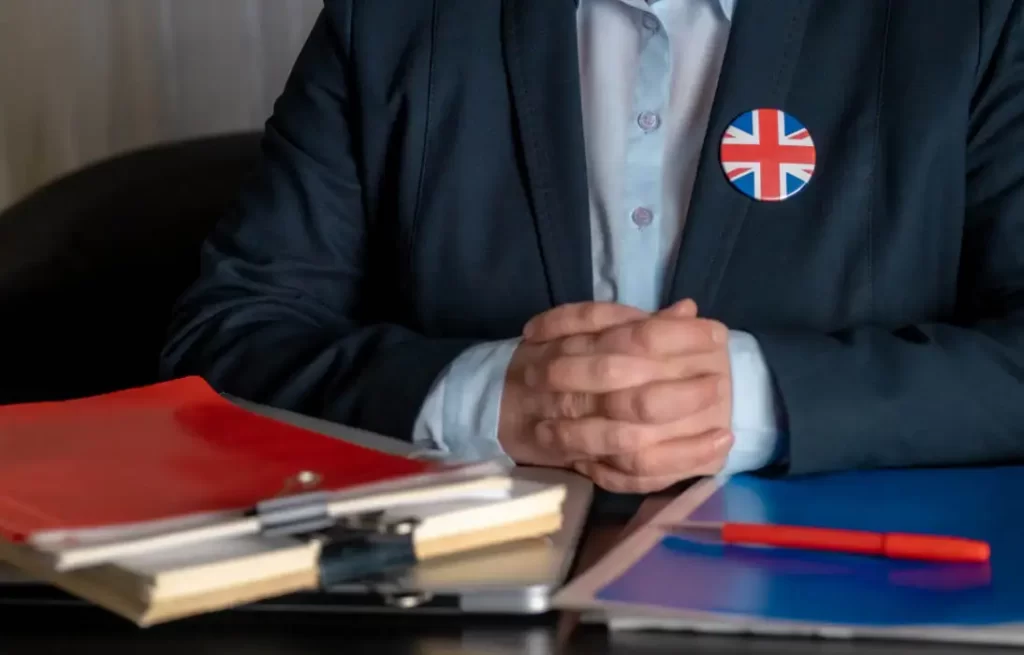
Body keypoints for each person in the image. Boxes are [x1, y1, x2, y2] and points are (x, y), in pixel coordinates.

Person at [161, 0, 1024, 493]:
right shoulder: (388, 19)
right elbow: (226, 342)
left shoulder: (972, 21)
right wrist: (477, 399)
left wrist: (755, 399)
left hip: (856, 594)